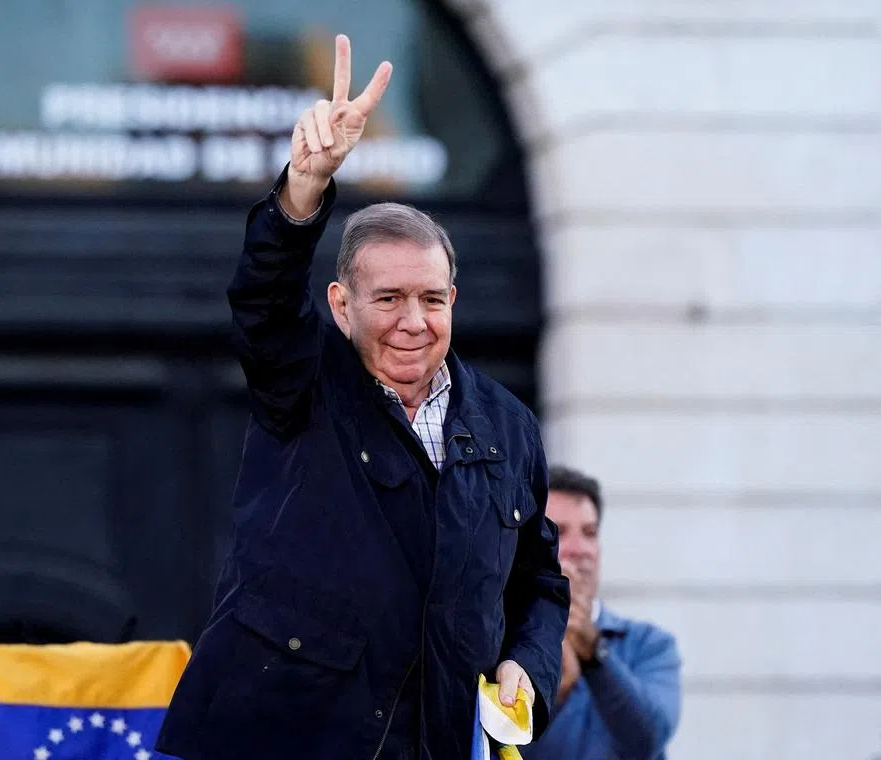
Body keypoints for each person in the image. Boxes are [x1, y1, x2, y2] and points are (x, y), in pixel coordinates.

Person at [155, 34, 569, 760]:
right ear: (342, 305)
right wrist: (304, 188)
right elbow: (264, 300)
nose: (415, 321)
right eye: (390, 299)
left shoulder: (508, 425)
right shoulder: (306, 380)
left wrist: (526, 666)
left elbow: (541, 582)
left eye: (432, 299)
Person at [522, 465, 682, 760]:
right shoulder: (504, 647)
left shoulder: (648, 644)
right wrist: (552, 694)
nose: (579, 548)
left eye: (590, 532)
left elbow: (650, 740)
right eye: (559, 531)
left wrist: (594, 653)